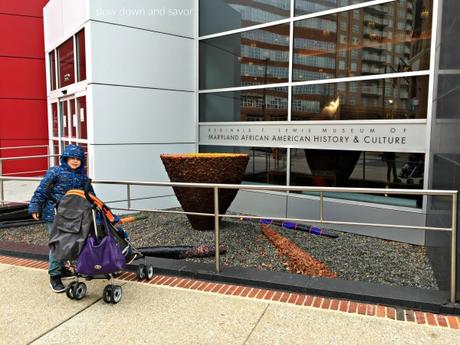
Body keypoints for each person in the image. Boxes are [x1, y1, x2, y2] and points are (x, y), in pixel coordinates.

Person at [29, 145, 94, 293]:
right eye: (72, 158)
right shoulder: (55, 172)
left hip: (73, 215)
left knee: (70, 242)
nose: (75, 161)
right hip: (54, 213)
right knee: (58, 244)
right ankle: (55, 275)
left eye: (78, 159)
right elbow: (41, 190)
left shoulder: (82, 177)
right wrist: (35, 206)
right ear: (65, 158)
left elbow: (90, 196)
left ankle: (63, 269)